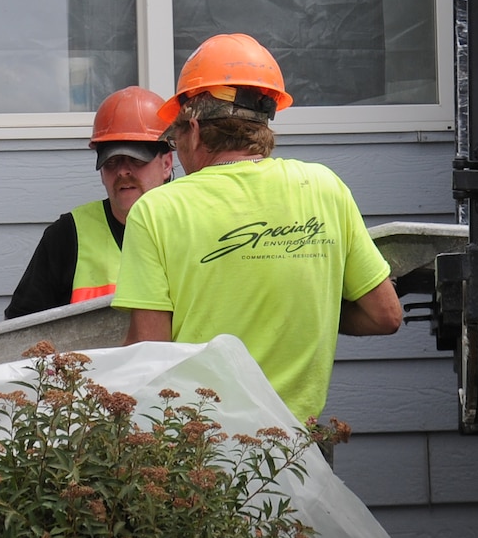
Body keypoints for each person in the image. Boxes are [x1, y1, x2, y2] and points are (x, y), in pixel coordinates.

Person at [112, 34, 403, 424]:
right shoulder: (323, 187)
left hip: (198, 453)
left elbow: (151, 350)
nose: (177, 149)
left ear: (195, 130)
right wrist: (301, 311)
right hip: (296, 452)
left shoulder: (159, 209)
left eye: (176, 135)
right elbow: (386, 316)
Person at [5, 86, 174, 319]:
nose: (123, 171)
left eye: (135, 160)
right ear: (101, 172)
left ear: (166, 164)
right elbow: (20, 327)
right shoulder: (67, 236)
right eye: (112, 162)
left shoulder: (194, 228)